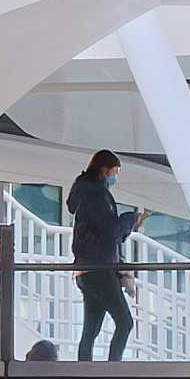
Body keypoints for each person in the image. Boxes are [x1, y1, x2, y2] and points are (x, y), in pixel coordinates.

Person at [68, 149, 141, 362]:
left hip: (85, 270)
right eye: (114, 171)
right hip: (100, 269)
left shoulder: (84, 192)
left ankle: (85, 369)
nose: (114, 177)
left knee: (91, 329)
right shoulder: (97, 195)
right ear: (104, 170)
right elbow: (110, 234)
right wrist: (131, 219)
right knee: (125, 322)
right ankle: (113, 368)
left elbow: (102, 233)